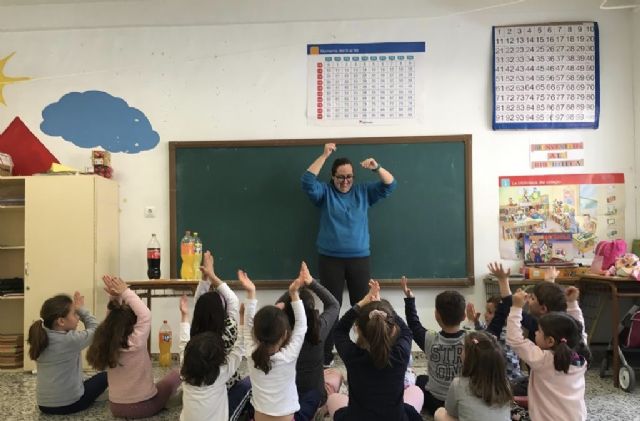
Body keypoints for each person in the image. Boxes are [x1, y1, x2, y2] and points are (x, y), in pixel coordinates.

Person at [301, 142, 397, 366]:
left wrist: (376, 167)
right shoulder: (324, 192)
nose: (345, 182)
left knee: (364, 306)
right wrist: (324, 155)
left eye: (349, 177)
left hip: (359, 259)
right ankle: (326, 356)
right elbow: (306, 181)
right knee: (331, 307)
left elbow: (390, 184)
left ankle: (366, 350)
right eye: (340, 177)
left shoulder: (363, 192)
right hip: (330, 259)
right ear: (332, 177)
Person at [326, 280, 423, 421]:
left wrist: (363, 302)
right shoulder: (400, 355)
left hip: (358, 418)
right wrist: (385, 310)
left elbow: (339, 330)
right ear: (393, 329)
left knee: (333, 398)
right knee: (416, 391)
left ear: (358, 330)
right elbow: (407, 332)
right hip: (395, 418)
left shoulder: (352, 356)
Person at [86, 275, 181, 419]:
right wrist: (125, 291)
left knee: (159, 387)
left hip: (115, 408)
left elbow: (112, 319)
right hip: (142, 407)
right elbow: (145, 315)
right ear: (133, 325)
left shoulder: (107, 341)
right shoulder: (135, 341)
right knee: (173, 377)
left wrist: (114, 297)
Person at [178, 251, 251, 420]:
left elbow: (183, 341)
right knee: (249, 383)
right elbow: (232, 301)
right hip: (225, 387)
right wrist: (212, 276)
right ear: (221, 312)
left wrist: (205, 280)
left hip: (195, 384)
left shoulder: (194, 335)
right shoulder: (229, 331)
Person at [506, 288, 591, 421]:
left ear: (550, 341)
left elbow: (515, 340)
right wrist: (572, 303)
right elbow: (579, 329)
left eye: (539, 332)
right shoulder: (581, 355)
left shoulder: (543, 359)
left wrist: (516, 308)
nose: (535, 333)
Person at [275, 261, 342, 420]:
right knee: (336, 374)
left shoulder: (277, 332)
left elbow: (279, 305)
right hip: (314, 396)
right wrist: (311, 282)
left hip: (285, 398)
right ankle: (319, 409)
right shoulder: (318, 329)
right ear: (311, 310)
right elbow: (334, 304)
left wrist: (294, 290)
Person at [242, 265, 307, 421]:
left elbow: (246, 327)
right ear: (285, 335)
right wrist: (293, 293)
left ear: (255, 334)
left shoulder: (251, 354)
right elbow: (301, 326)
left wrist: (251, 293)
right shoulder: (289, 356)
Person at [27, 291, 107, 415]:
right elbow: (97, 329)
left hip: (44, 405)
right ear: (61, 321)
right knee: (105, 375)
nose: (78, 317)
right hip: (70, 405)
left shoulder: (40, 336)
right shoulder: (70, 340)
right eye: (74, 314)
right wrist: (82, 309)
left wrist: (76, 310)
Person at [401, 276, 466, 415]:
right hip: (461, 403)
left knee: (420, 379)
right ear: (464, 315)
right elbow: (493, 330)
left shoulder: (429, 339)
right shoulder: (472, 340)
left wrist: (409, 300)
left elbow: (413, 324)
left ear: (436, 315)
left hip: (435, 402)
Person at [434, 331, 512, 421]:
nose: (460, 353)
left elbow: (451, 411)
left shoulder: (458, 384)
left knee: (439, 412)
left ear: (470, 358)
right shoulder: (505, 384)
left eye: (463, 349)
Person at [464, 298, 525, 388]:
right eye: (486, 311)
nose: (485, 315)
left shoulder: (507, 333)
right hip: (500, 379)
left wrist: (472, 323)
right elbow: (486, 330)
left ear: (500, 318)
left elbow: (489, 338)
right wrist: (476, 322)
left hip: (511, 381)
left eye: (490, 312)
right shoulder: (494, 330)